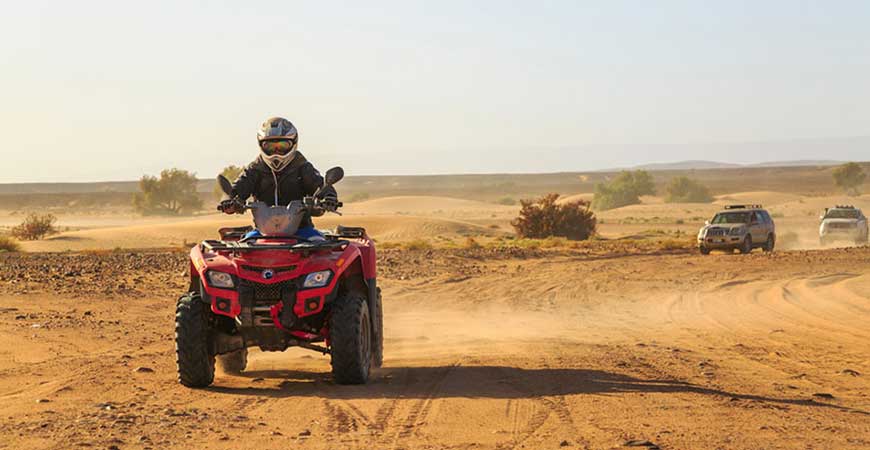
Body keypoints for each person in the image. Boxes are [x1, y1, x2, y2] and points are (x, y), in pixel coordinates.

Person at [219, 117, 338, 240]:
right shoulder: (255, 169)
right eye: (270, 146)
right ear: (261, 145)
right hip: (263, 232)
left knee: (318, 245)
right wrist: (229, 201)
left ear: (294, 143)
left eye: (282, 146)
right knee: (244, 245)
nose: (276, 152)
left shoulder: (302, 166)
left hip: (302, 230)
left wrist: (329, 198)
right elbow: (237, 188)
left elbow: (320, 185)